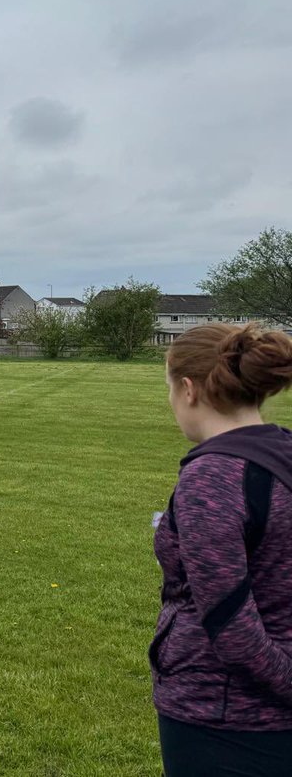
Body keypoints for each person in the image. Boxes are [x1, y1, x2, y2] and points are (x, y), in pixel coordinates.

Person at [151, 323, 292, 776]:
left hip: (224, 719)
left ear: (188, 390)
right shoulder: (283, 452)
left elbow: (232, 627)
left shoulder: (213, 476)